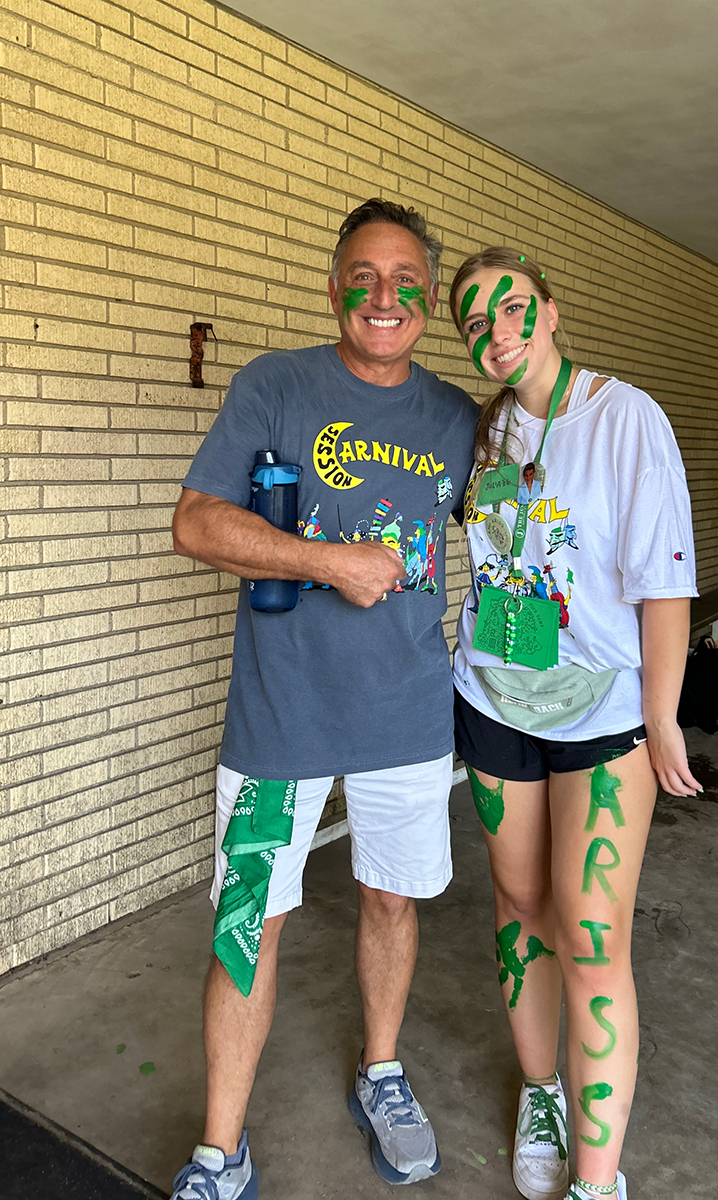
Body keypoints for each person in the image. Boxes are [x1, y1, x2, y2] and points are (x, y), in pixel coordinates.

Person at [168, 199, 477, 1198]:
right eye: (363, 275)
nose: (383, 297)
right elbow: (197, 524)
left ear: (427, 297)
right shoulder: (276, 386)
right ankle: (221, 1152)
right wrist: (323, 561)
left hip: (410, 717)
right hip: (279, 720)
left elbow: (530, 514)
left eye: (404, 281)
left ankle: (380, 1074)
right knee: (248, 920)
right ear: (334, 284)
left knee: (390, 900)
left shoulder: (457, 419)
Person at [449, 248, 701, 1200]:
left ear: (551, 310)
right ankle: (540, 1092)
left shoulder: (623, 417)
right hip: (492, 706)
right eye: (475, 321)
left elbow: (664, 580)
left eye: (512, 308)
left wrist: (663, 717)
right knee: (522, 914)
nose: (497, 330)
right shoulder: (481, 436)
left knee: (591, 931)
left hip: (601, 714)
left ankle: (598, 1182)